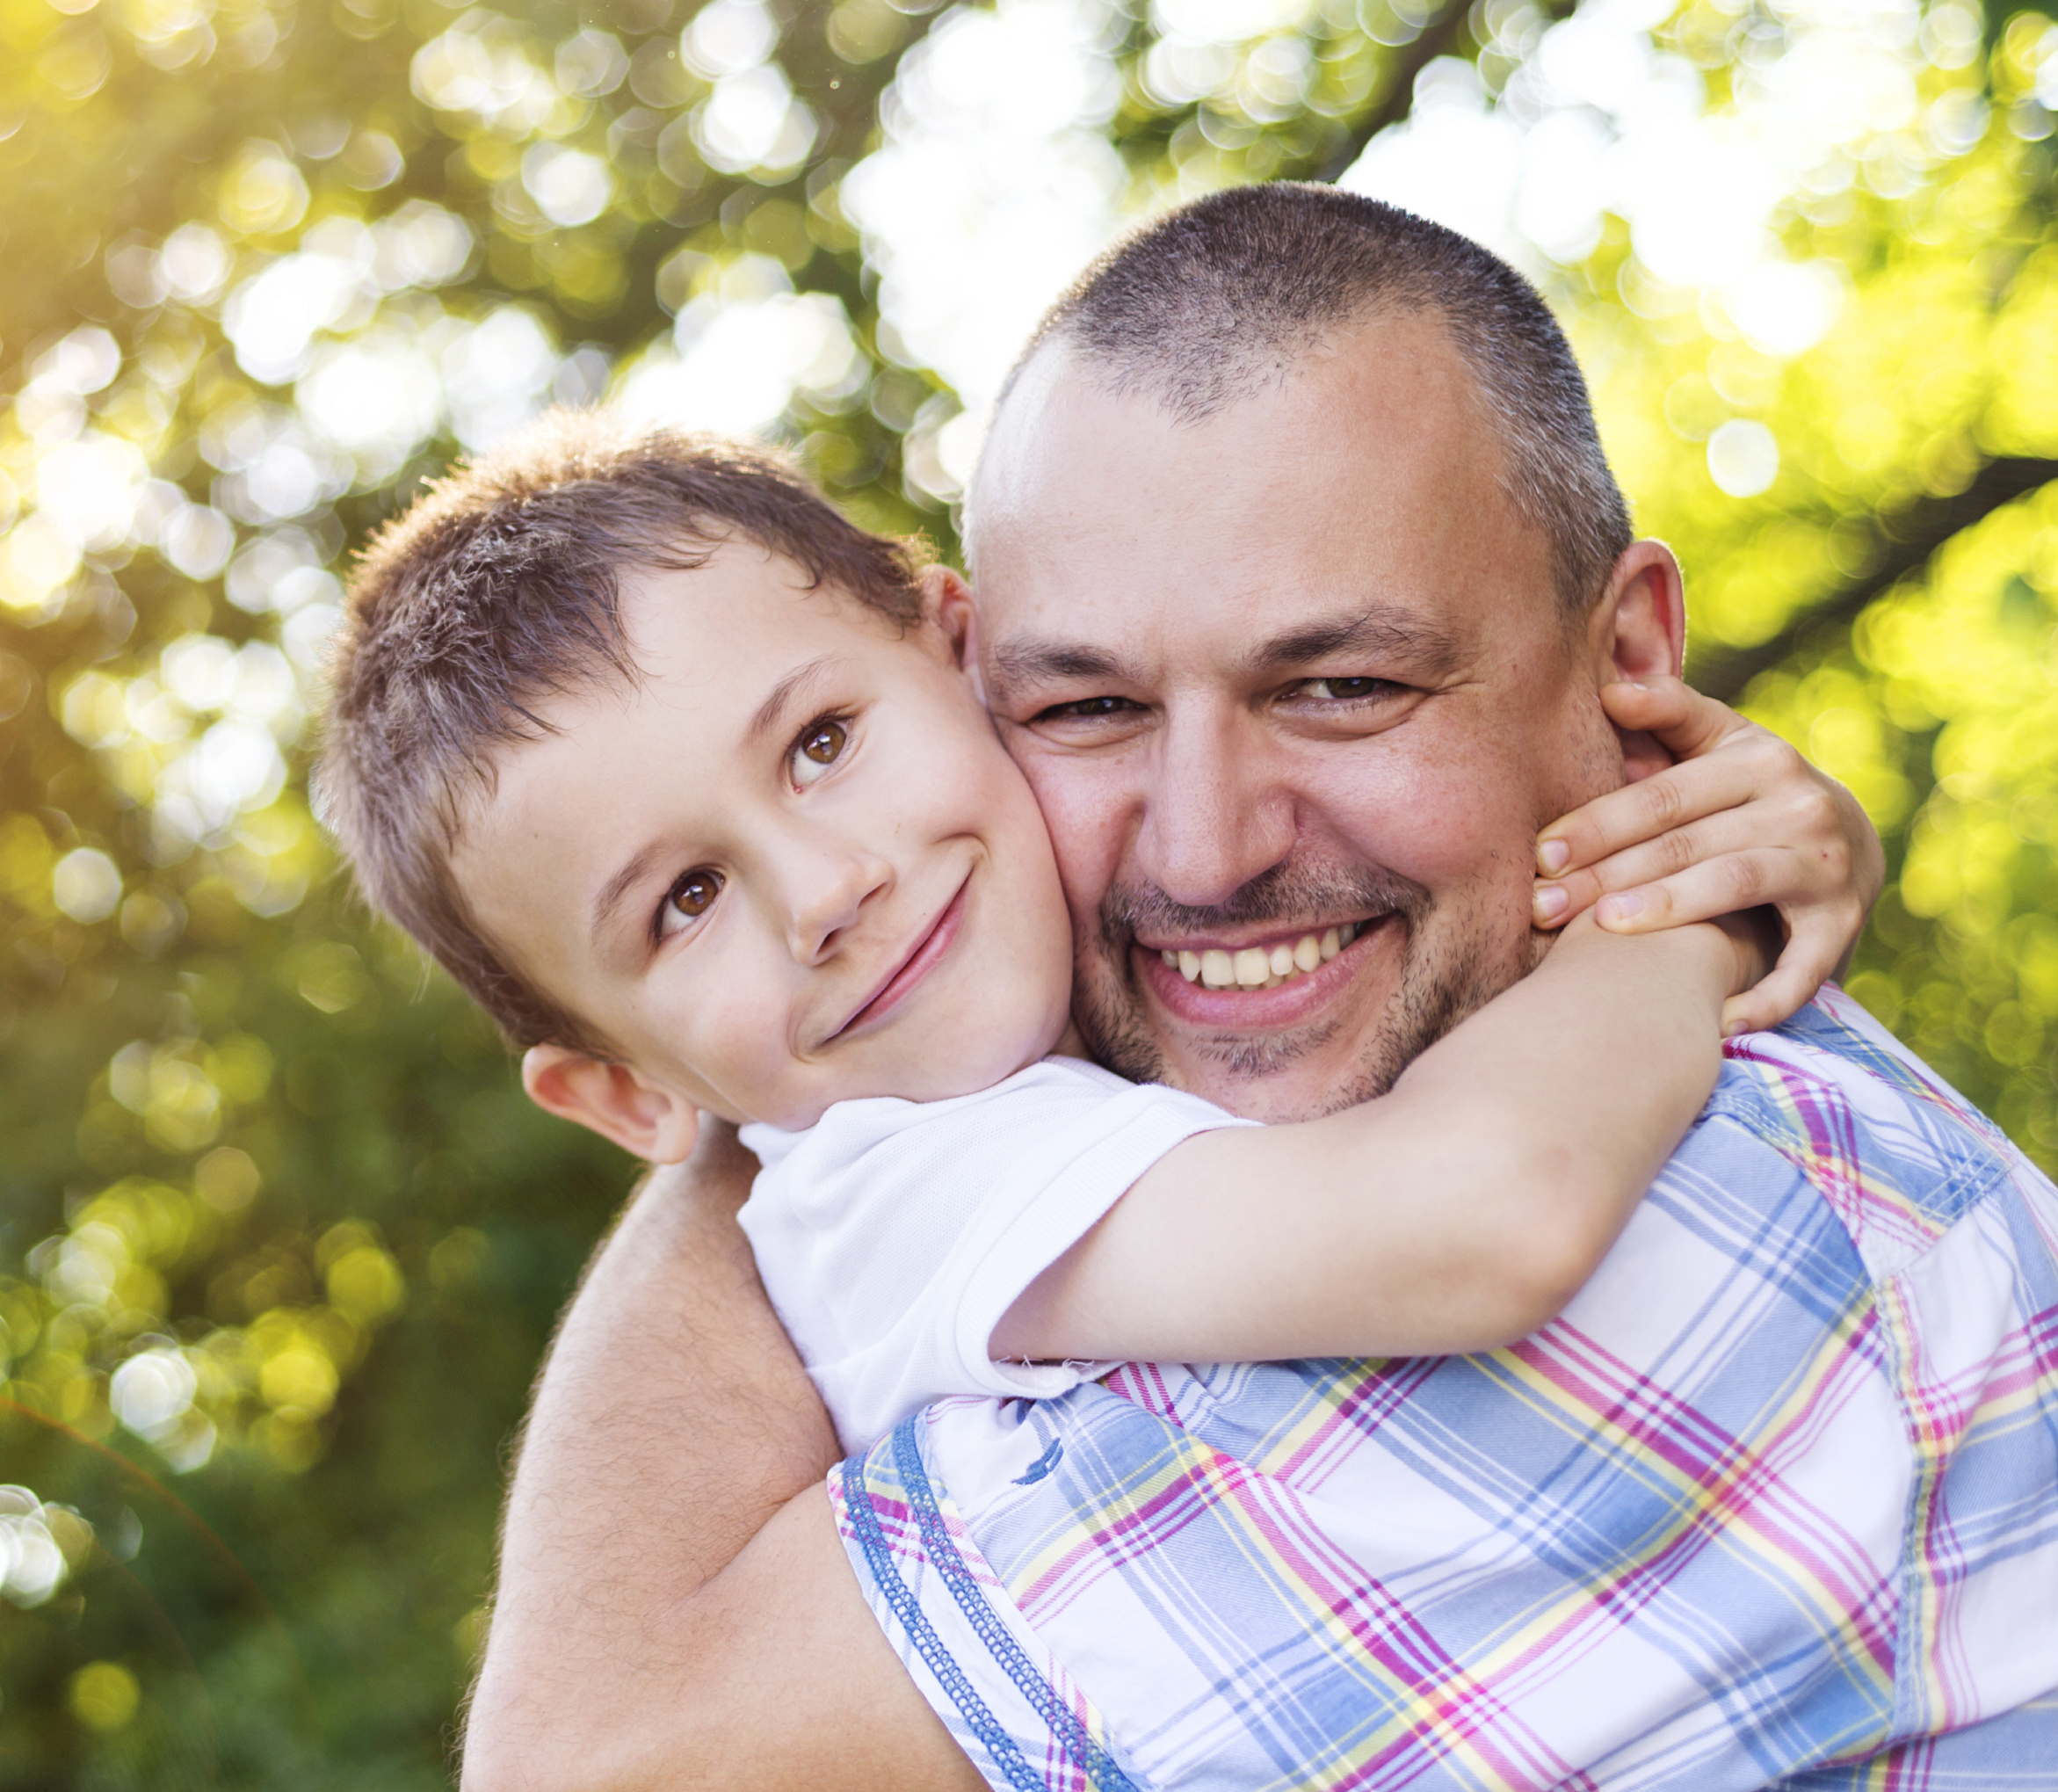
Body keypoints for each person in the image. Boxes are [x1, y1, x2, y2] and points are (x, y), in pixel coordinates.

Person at [460, 187, 2058, 1788]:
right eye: (1086, 706)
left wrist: (1679, 925)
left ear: (1627, 658)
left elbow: (599, 1762)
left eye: (1343, 687)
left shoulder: (1698, 1230)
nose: (1207, 850)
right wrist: (1698, 916)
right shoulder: (1012, 1150)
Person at [318, 416, 1814, 1469]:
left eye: (822, 741)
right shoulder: (891, 1195)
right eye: (683, 902)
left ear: (956, 647)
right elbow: (1490, 1212)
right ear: (624, 1096)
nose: (824, 888)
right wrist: (1691, 888)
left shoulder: (1060, 1043)